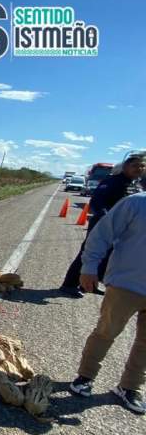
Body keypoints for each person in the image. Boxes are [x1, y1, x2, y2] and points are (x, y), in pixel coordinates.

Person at [69, 192, 146, 414]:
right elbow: (102, 234)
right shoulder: (137, 203)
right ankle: (85, 377)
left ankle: (129, 387)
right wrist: (89, 266)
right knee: (106, 332)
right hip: (126, 284)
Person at [60, 155, 145, 298]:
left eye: (142, 166)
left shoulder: (133, 183)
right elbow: (96, 201)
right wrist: (105, 215)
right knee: (87, 252)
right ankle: (69, 285)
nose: (139, 168)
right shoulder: (113, 181)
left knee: (107, 255)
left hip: (119, 226)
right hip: (102, 223)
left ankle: (88, 285)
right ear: (125, 167)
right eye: (135, 165)